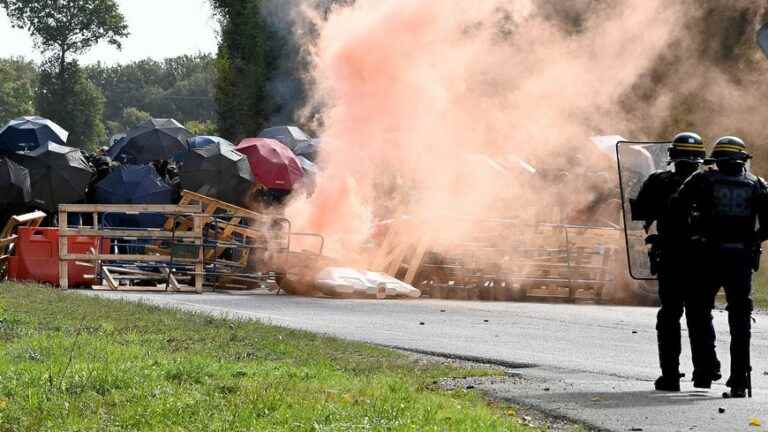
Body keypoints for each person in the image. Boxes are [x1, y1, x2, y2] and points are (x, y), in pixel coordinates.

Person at [674, 136, 768, 398]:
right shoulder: (757, 184)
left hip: (705, 256)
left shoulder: (701, 179)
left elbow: (675, 208)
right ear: (742, 160)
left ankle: (704, 370)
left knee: (697, 310)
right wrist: (754, 239)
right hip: (740, 259)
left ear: (716, 159)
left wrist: (690, 235)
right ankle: (739, 379)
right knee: (740, 319)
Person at [630, 132, 720, 391]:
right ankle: (704, 373)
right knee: (700, 315)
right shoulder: (712, 182)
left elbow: (641, 214)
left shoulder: (658, 181)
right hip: (704, 261)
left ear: (672, 157)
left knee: (669, 315)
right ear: (700, 158)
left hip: (671, 259)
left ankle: (670, 376)